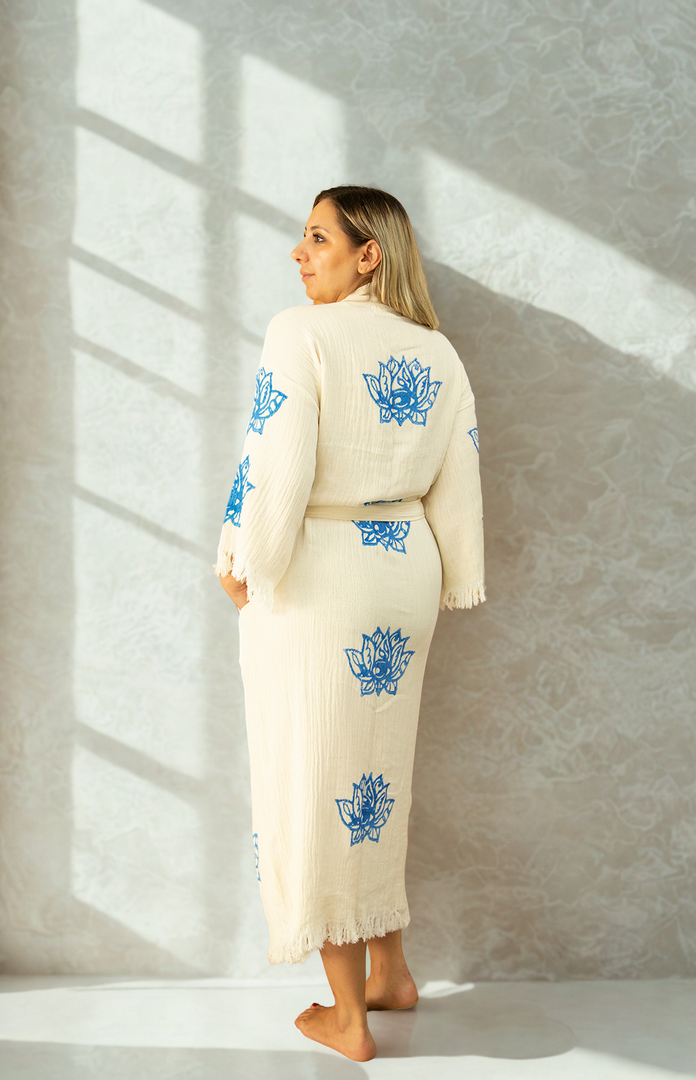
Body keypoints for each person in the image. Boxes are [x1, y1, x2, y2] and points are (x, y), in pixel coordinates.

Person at [215, 185, 485, 1062]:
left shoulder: (302, 333)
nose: (299, 255)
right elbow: (460, 475)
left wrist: (247, 558)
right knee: (372, 778)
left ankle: (347, 1016)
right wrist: (460, 576)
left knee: (312, 773)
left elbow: (276, 455)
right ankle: (390, 974)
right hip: (405, 566)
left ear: (369, 254)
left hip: (319, 569)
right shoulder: (437, 351)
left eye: (317, 238)